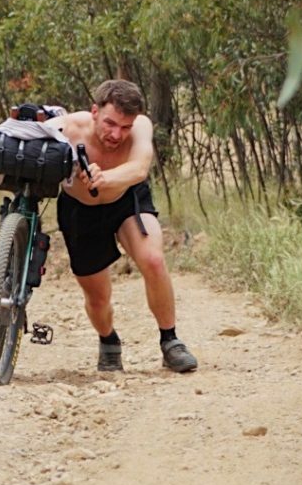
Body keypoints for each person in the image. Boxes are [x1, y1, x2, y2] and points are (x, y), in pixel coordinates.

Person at [46, 79, 197, 374]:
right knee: (98, 297)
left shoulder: (140, 127)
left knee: (153, 259)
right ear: (94, 111)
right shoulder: (67, 127)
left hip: (127, 199)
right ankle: (109, 340)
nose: (117, 134)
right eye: (110, 123)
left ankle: (170, 341)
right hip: (81, 211)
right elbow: (15, 137)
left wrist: (107, 179)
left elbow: (139, 167)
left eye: (125, 127)